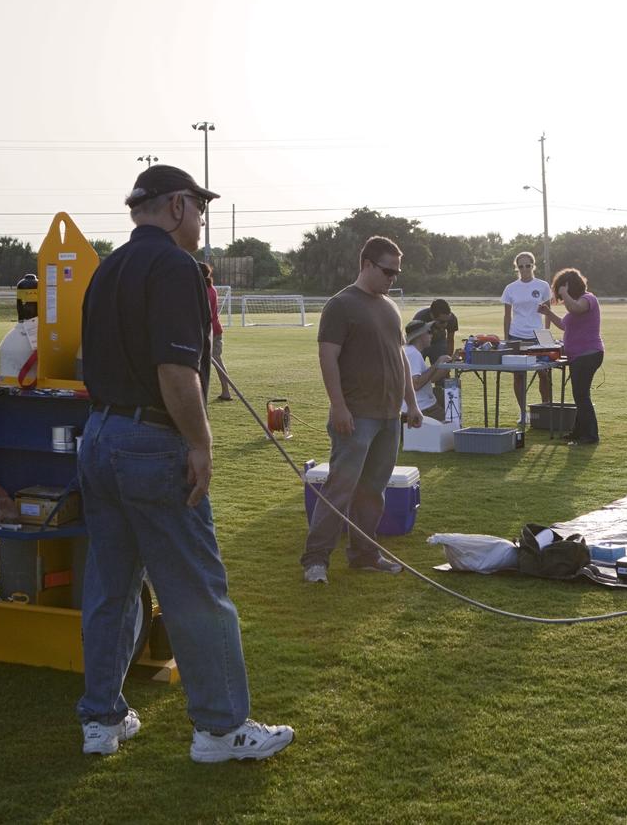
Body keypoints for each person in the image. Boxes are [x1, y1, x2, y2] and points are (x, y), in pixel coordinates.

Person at [77, 164, 293, 761]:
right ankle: (222, 730)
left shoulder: (108, 267)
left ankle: (101, 720)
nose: (201, 221)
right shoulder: (174, 267)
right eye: (198, 209)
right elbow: (175, 374)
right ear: (176, 206)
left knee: (112, 588)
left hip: (97, 436)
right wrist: (201, 443)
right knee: (198, 588)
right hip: (151, 440)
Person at [302, 236, 423, 584]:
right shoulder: (341, 305)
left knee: (374, 490)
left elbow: (399, 356)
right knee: (340, 488)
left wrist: (411, 403)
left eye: (397, 273)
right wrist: (338, 406)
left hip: (388, 416)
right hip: (356, 416)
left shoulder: (389, 306)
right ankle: (316, 560)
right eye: (387, 271)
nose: (392, 278)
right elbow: (328, 356)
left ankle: (365, 555)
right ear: (367, 264)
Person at [538, 268, 604, 446]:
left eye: (562, 289)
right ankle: (578, 432)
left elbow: (575, 308)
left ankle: (590, 435)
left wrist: (565, 294)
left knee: (582, 395)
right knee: (579, 395)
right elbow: (563, 325)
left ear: (569, 287)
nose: (560, 294)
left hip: (588, 354)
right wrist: (548, 313)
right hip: (578, 356)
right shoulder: (574, 305)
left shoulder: (588, 299)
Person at [501, 251, 553, 424]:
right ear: (517, 267)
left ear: (533, 266)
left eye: (528, 265)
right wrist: (507, 338)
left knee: (544, 373)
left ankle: (545, 409)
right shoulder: (510, 288)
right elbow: (507, 316)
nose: (524, 269)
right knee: (518, 376)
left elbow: (548, 313)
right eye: (521, 266)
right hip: (517, 335)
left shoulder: (543, 285)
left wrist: (546, 334)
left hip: (537, 336)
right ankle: (523, 413)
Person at [402, 319, 451, 422]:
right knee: (453, 424)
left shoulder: (409, 351)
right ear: (420, 336)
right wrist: (436, 364)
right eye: (429, 332)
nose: (432, 335)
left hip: (419, 405)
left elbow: (428, 379)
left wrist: (447, 366)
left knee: (441, 396)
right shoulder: (413, 354)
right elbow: (416, 384)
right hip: (423, 407)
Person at [197, 260, 232, 401]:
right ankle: (223, 391)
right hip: (211, 329)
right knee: (208, 362)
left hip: (210, 331)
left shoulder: (203, 291)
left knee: (216, 361)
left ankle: (226, 392)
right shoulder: (210, 288)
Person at [412, 298, 458, 365]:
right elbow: (414, 342)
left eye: (447, 321)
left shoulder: (452, 318)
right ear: (432, 315)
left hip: (439, 342)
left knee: (442, 369)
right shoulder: (420, 318)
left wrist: (448, 359)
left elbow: (450, 340)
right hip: (421, 343)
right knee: (417, 368)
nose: (446, 324)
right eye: (442, 322)